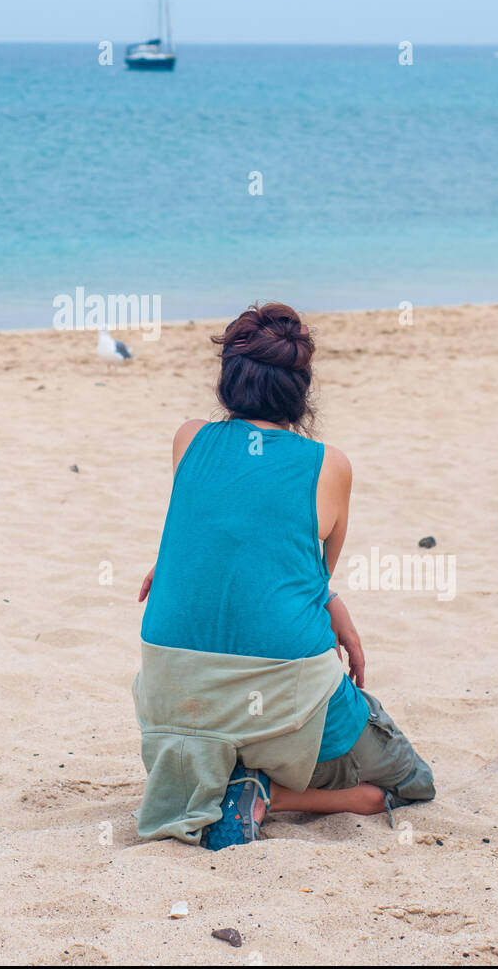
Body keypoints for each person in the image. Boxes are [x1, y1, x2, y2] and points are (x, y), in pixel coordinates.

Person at [134, 302, 435, 849]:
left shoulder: (188, 439)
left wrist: (331, 602)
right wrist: (333, 604)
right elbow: (307, 578)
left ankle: (231, 771)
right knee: (412, 782)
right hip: (285, 696)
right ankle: (271, 794)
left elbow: (232, 537)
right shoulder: (330, 465)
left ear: (227, 382)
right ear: (302, 391)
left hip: (175, 698)